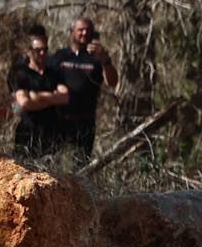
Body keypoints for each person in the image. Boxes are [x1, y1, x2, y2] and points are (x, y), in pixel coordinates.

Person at [48, 15, 119, 156]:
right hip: (59, 121)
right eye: (80, 30)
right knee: (52, 162)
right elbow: (44, 78)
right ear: (71, 32)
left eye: (88, 30)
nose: (84, 33)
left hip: (85, 122)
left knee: (80, 167)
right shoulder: (60, 56)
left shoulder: (98, 58)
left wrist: (105, 60)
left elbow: (112, 82)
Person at [8, 26, 69, 158]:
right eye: (38, 50)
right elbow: (24, 103)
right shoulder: (20, 74)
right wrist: (52, 97)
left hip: (52, 132)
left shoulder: (54, 73)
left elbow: (64, 97)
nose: (42, 53)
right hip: (28, 131)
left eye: (45, 49)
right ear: (28, 51)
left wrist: (37, 96)